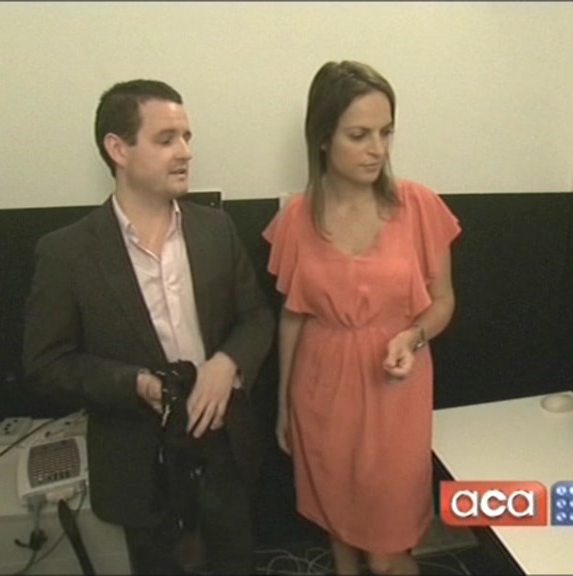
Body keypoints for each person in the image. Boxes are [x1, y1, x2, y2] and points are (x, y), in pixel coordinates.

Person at [23, 79, 274, 575]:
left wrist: (227, 363)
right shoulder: (66, 253)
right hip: (139, 465)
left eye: (187, 137)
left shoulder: (215, 229)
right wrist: (132, 383)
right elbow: (46, 365)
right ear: (118, 149)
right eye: (166, 140)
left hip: (224, 451)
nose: (185, 152)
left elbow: (256, 317)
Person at [262, 61, 461, 575]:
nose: (378, 149)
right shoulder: (297, 217)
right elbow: (293, 317)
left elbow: (443, 301)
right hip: (320, 390)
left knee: (386, 555)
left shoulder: (419, 205)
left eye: (386, 132)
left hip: (394, 390)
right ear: (322, 138)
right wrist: (284, 405)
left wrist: (413, 336)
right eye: (359, 135)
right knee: (341, 533)